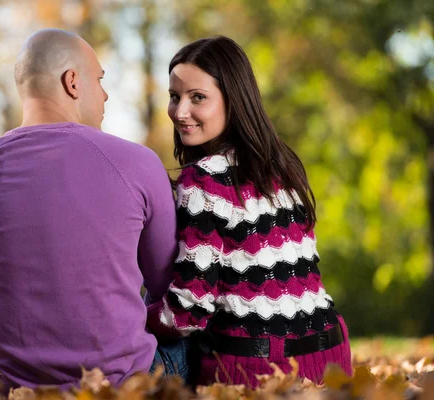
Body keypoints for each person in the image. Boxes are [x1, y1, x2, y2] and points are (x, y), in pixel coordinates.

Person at [0, 29, 190, 393]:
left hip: (14, 389)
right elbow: (167, 287)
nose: (106, 94)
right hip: (123, 385)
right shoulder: (137, 162)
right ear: (73, 82)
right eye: (99, 80)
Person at [146, 35, 353, 388]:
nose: (180, 112)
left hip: (256, 371)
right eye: (174, 96)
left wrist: (132, 318)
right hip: (330, 359)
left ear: (233, 100)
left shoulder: (205, 179)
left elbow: (188, 313)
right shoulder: (282, 166)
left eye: (198, 97)